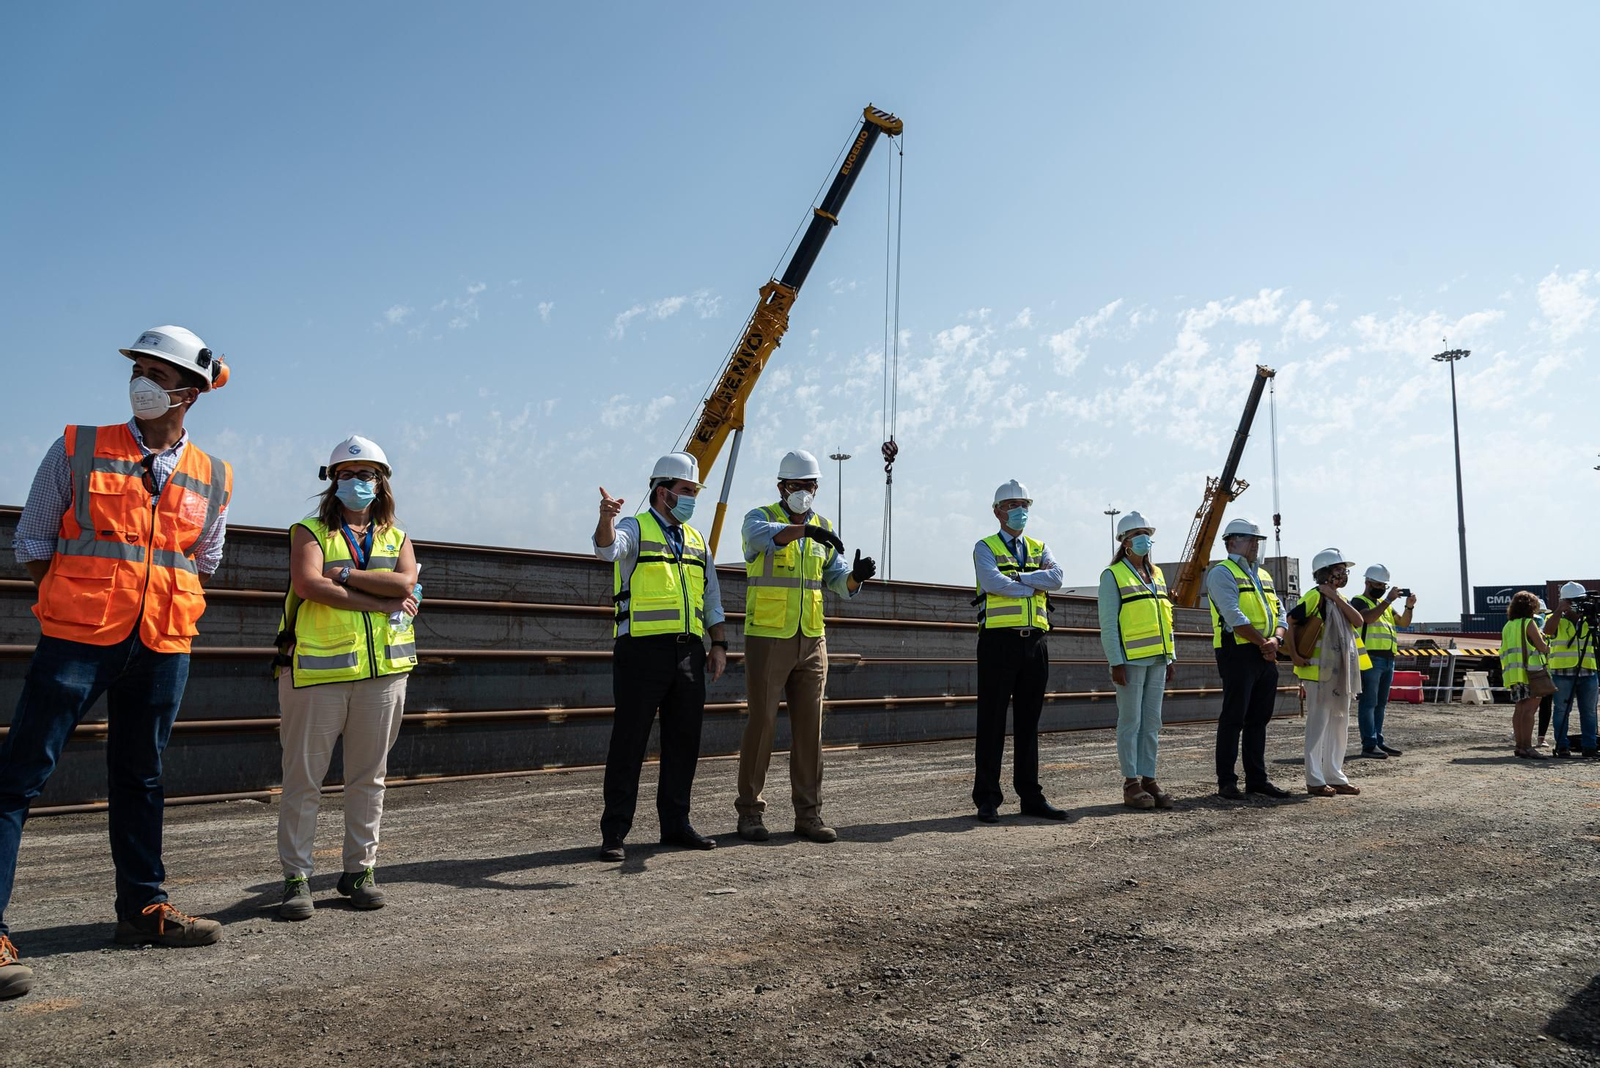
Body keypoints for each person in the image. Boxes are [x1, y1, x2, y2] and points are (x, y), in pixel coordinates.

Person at [0, 326, 233, 1000]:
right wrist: (80, 600)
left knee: (142, 777)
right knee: (19, 776)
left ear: (190, 392)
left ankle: (143, 909)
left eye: (159, 373)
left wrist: (151, 603)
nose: (143, 383)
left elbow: (205, 559)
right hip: (78, 639)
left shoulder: (213, 474)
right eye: (139, 369)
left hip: (162, 643)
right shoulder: (77, 447)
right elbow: (33, 542)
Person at [272, 436, 420, 920]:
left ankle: (359, 871)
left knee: (369, 779)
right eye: (348, 474)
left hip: (384, 675)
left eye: (367, 474)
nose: (357, 482)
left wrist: (344, 575)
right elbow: (308, 584)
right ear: (332, 480)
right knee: (303, 781)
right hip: (316, 674)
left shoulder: (397, 536)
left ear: (382, 482)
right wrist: (379, 600)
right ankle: (297, 878)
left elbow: (406, 582)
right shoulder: (309, 530)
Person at [592, 453, 729, 861]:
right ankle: (615, 832)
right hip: (641, 651)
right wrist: (606, 518)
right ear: (662, 491)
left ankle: (675, 824)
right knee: (629, 742)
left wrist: (718, 644)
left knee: (684, 742)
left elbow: (712, 597)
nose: (692, 499)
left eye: (694, 492)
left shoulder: (697, 540)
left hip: (688, 653)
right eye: (686, 491)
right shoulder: (635, 527)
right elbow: (607, 550)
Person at [735, 450, 876, 844]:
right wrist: (805, 533)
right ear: (781, 486)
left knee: (810, 730)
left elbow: (837, 580)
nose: (804, 492)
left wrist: (855, 578)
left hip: (812, 638)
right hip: (768, 635)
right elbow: (761, 540)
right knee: (762, 724)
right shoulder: (758, 518)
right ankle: (750, 812)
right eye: (797, 485)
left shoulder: (823, 527)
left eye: (810, 485)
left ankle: (809, 816)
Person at [970, 480, 1067, 823]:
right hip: (998, 642)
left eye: (1024, 504)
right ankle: (987, 798)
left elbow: (1057, 578)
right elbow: (992, 582)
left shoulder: (1040, 546)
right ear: (997, 511)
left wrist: (1019, 580)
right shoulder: (985, 546)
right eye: (1012, 505)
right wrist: (1032, 584)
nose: (1020, 510)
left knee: (1029, 722)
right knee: (992, 721)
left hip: (1035, 643)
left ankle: (1030, 796)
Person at [1206, 517, 1291, 800]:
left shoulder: (1263, 575)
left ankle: (1257, 779)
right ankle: (1227, 782)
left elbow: (1280, 612)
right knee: (1234, 717)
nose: (1256, 545)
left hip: (1264, 652)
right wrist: (1265, 643)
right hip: (1237, 652)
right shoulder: (1222, 573)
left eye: (1257, 540)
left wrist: (1276, 640)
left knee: (1259, 719)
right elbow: (1233, 615)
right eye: (1250, 539)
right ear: (1232, 542)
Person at [1097, 511, 1175, 810]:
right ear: (1125, 542)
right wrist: (1115, 661)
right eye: (1137, 534)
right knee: (1131, 721)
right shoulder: (1113, 575)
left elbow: (1165, 616)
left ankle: (1149, 778)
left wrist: (1171, 656)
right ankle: (1131, 782)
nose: (1144, 539)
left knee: (1152, 722)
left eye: (1147, 534)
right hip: (1130, 661)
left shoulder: (1157, 574)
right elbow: (1108, 624)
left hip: (1158, 658)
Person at [1287, 549, 1372, 796]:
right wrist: (1294, 655)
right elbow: (1291, 621)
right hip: (1317, 673)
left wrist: (1335, 596)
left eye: (1344, 570)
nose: (1343, 574)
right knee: (1318, 726)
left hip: (1339, 675)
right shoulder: (1314, 597)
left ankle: (1335, 775)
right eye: (1339, 570)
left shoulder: (1337, 598)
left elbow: (1358, 621)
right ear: (1325, 573)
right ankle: (1314, 780)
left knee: (1339, 724)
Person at [1350, 564, 1415, 758]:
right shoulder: (1359, 601)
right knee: (1369, 702)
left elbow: (1403, 622)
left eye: (1383, 586)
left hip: (1388, 659)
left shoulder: (1385, 607)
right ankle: (1369, 744)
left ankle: (1378, 741)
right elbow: (1367, 619)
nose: (1381, 588)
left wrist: (1409, 606)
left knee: (1380, 704)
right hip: (1370, 658)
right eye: (1378, 585)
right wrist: (1388, 599)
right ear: (1367, 583)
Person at [1545, 581, 1598, 758]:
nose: (1577, 605)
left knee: (1589, 712)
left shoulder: (1590, 620)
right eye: (1573, 601)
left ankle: (1590, 746)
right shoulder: (1554, 619)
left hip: (1588, 671)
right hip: (1562, 673)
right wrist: (1559, 611)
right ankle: (1562, 746)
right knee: (1561, 711)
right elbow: (1548, 631)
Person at [1500, 591, 1550, 759]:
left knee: (1520, 709)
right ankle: (1527, 747)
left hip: (1514, 673)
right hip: (1531, 672)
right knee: (1530, 711)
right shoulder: (1528, 623)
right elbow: (1542, 647)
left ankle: (1520, 746)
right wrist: (1549, 645)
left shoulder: (1508, 626)